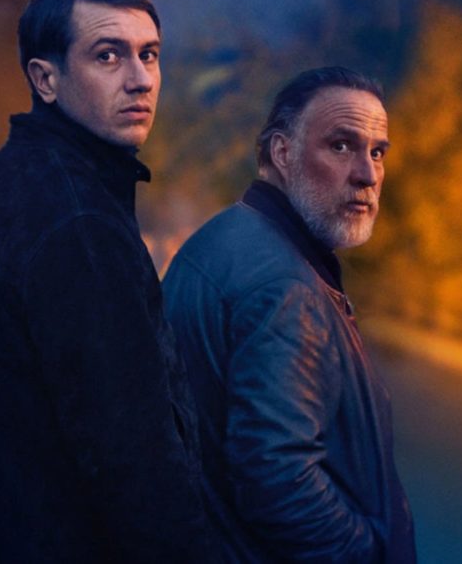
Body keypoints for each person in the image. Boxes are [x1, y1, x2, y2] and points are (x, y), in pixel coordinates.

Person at [0, 0, 213, 563]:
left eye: (149, 55)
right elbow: (136, 462)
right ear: (46, 79)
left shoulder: (11, 182)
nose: (140, 79)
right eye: (108, 56)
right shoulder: (77, 221)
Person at [162, 67, 417, 563]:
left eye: (377, 152)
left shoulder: (222, 240)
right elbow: (278, 479)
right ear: (282, 153)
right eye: (341, 146)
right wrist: (370, 551)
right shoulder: (284, 286)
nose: (367, 175)